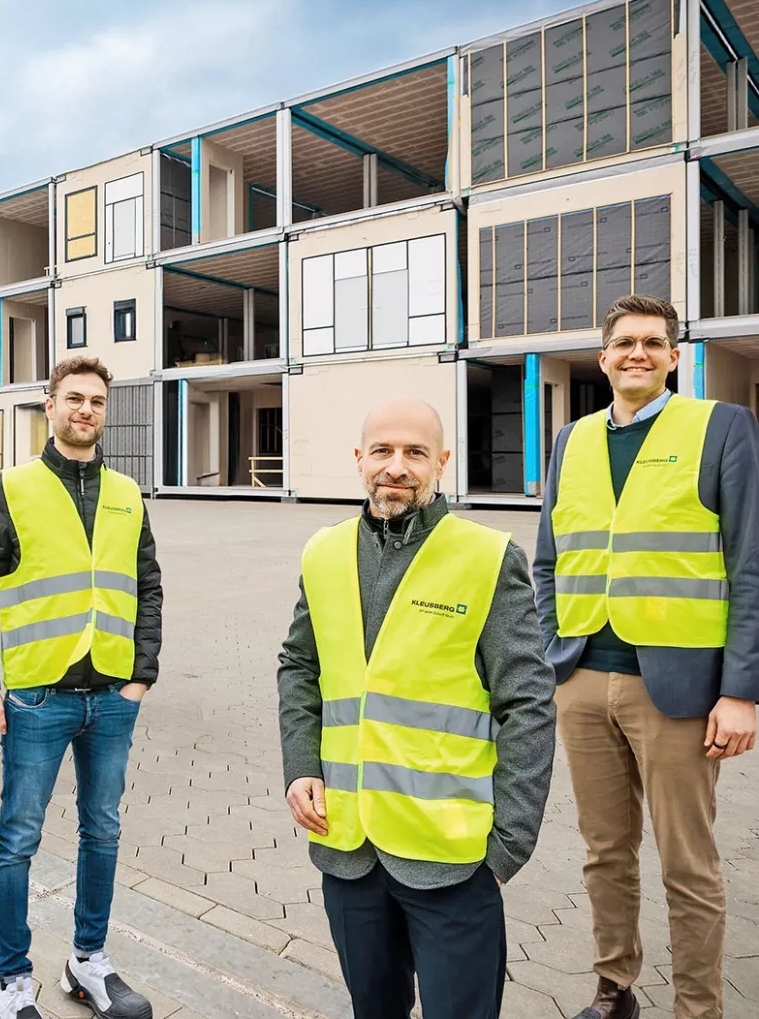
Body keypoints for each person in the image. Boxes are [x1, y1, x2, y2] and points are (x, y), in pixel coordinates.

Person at [277, 396, 556, 1019]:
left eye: (414, 453)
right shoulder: (323, 553)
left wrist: (507, 845)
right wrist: (301, 767)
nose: (396, 466)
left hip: (452, 859)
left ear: (441, 463)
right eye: (382, 451)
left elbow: (528, 702)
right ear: (359, 460)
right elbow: (300, 665)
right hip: (347, 847)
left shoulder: (487, 557)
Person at [534, 294, 759, 1019]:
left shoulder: (721, 428)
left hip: (680, 689)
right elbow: (546, 561)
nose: (638, 353)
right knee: (605, 852)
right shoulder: (570, 442)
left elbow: (750, 564)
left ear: (673, 358)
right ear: (603, 360)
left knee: (688, 865)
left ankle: (698, 1008)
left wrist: (742, 692)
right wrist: (549, 653)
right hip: (580, 680)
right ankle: (614, 987)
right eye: (624, 342)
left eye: (653, 343)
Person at [0, 356, 163, 1019]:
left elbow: (149, 586)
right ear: (49, 406)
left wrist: (141, 674)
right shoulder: (11, 487)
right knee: (18, 835)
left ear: (105, 412)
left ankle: (88, 963)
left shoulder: (129, 493)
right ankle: (12, 983)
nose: (85, 410)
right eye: (73, 398)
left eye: (96, 401)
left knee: (101, 830)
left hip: (111, 696)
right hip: (35, 695)